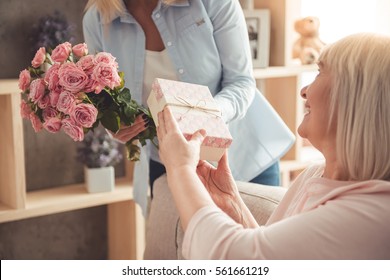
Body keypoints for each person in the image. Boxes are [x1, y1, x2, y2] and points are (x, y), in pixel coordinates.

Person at [156, 33, 390, 259]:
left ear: (355, 98)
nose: (304, 90)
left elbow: (228, 257)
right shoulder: (314, 175)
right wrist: (232, 205)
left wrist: (180, 168)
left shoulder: (373, 215)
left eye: (320, 72)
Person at [83, 0, 294, 215]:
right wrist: (116, 126)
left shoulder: (213, 3)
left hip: (244, 159)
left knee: (255, 245)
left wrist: (204, 116)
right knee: (180, 248)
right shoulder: (98, 20)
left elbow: (241, 82)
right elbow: (106, 98)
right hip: (167, 165)